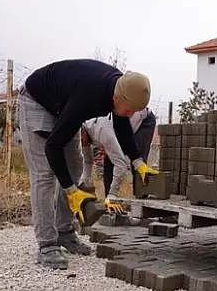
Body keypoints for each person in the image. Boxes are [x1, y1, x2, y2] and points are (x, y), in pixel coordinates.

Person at [17, 59, 159, 270]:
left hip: (64, 104)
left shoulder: (121, 88)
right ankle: (47, 244)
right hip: (37, 103)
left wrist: (138, 162)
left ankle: (64, 231)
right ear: (115, 97)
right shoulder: (89, 96)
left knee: (75, 167)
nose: (131, 116)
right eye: (129, 110)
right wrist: (71, 191)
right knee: (44, 174)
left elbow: (121, 123)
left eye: (134, 112)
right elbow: (53, 147)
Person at [77, 107, 155, 209]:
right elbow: (87, 161)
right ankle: (110, 206)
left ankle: (139, 207)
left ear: (83, 132)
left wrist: (112, 194)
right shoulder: (81, 135)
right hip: (116, 128)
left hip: (143, 122)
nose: (81, 143)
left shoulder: (102, 130)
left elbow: (121, 165)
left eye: (81, 140)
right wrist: (83, 184)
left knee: (137, 164)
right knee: (108, 164)